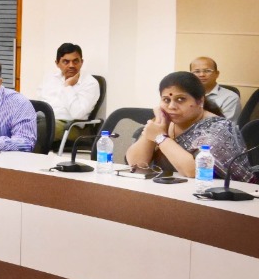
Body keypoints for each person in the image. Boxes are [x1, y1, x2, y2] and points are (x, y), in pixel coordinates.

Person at [126, 71, 255, 182]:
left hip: (212, 195)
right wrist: (155, 128)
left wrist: (161, 138)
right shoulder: (164, 121)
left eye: (180, 99)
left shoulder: (218, 128)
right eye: (166, 100)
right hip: (168, 191)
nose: (171, 106)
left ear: (200, 101)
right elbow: (136, 163)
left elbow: (194, 171)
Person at [37, 43, 101, 139]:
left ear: (81, 62)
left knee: (37, 130)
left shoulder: (90, 83)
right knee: (19, 124)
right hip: (44, 120)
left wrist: (68, 87)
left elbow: (78, 114)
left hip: (70, 127)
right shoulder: (50, 78)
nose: (71, 65)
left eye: (75, 61)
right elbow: (40, 104)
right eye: (66, 62)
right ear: (57, 63)